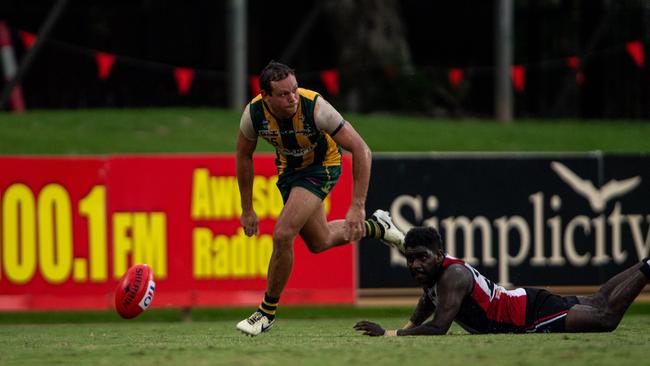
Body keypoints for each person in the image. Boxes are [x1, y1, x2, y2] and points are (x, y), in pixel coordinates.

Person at [236, 61, 404, 336]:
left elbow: (362, 149)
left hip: (321, 166)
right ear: (266, 97)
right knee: (320, 240)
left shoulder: (316, 107)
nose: (292, 97)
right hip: (289, 170)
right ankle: (379, 227)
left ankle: (265, 313)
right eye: (283, 94)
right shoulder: (253, 114)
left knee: (282, 234)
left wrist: (357, 206)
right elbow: (243, 156)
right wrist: (247, 208)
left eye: (294, 89)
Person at [354, 226, 650, 336]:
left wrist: (391, 334)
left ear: (439, 254)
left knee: (606, 318)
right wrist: (407, 327)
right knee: (599, 300)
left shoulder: (452, 276)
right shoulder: (435, 273)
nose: (415, 264)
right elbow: (426, 302)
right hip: (525, 304)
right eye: (410, 259)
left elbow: (439, 327)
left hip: (529, 315)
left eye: (422, 257)